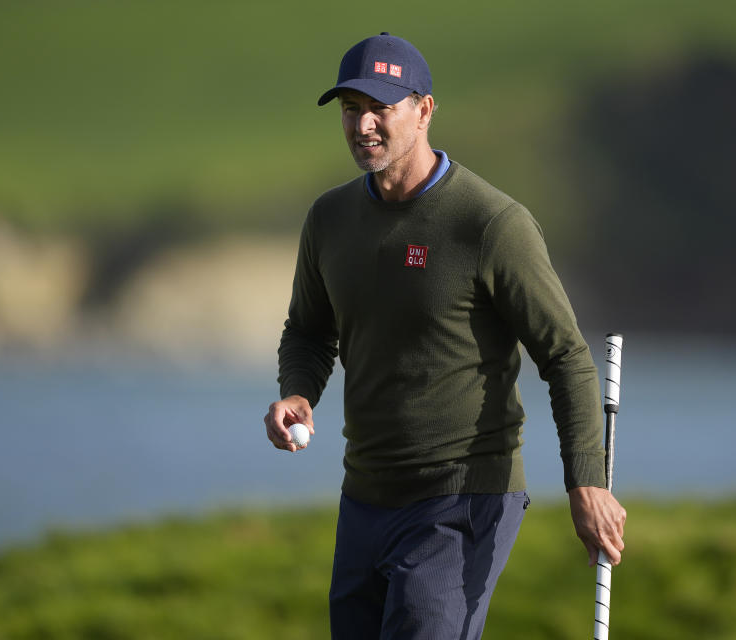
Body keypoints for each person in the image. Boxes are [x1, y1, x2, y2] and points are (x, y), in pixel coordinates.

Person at [263, 32, 626, 639]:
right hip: (365, 496)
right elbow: (306, 330)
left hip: (462, 498)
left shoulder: (490, 224)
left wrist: (585, 480)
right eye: (352, 109)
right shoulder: (328, 220)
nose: (363, 124)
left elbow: (565, 356)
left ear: (424, 109)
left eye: (382, 106)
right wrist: (298, 392)